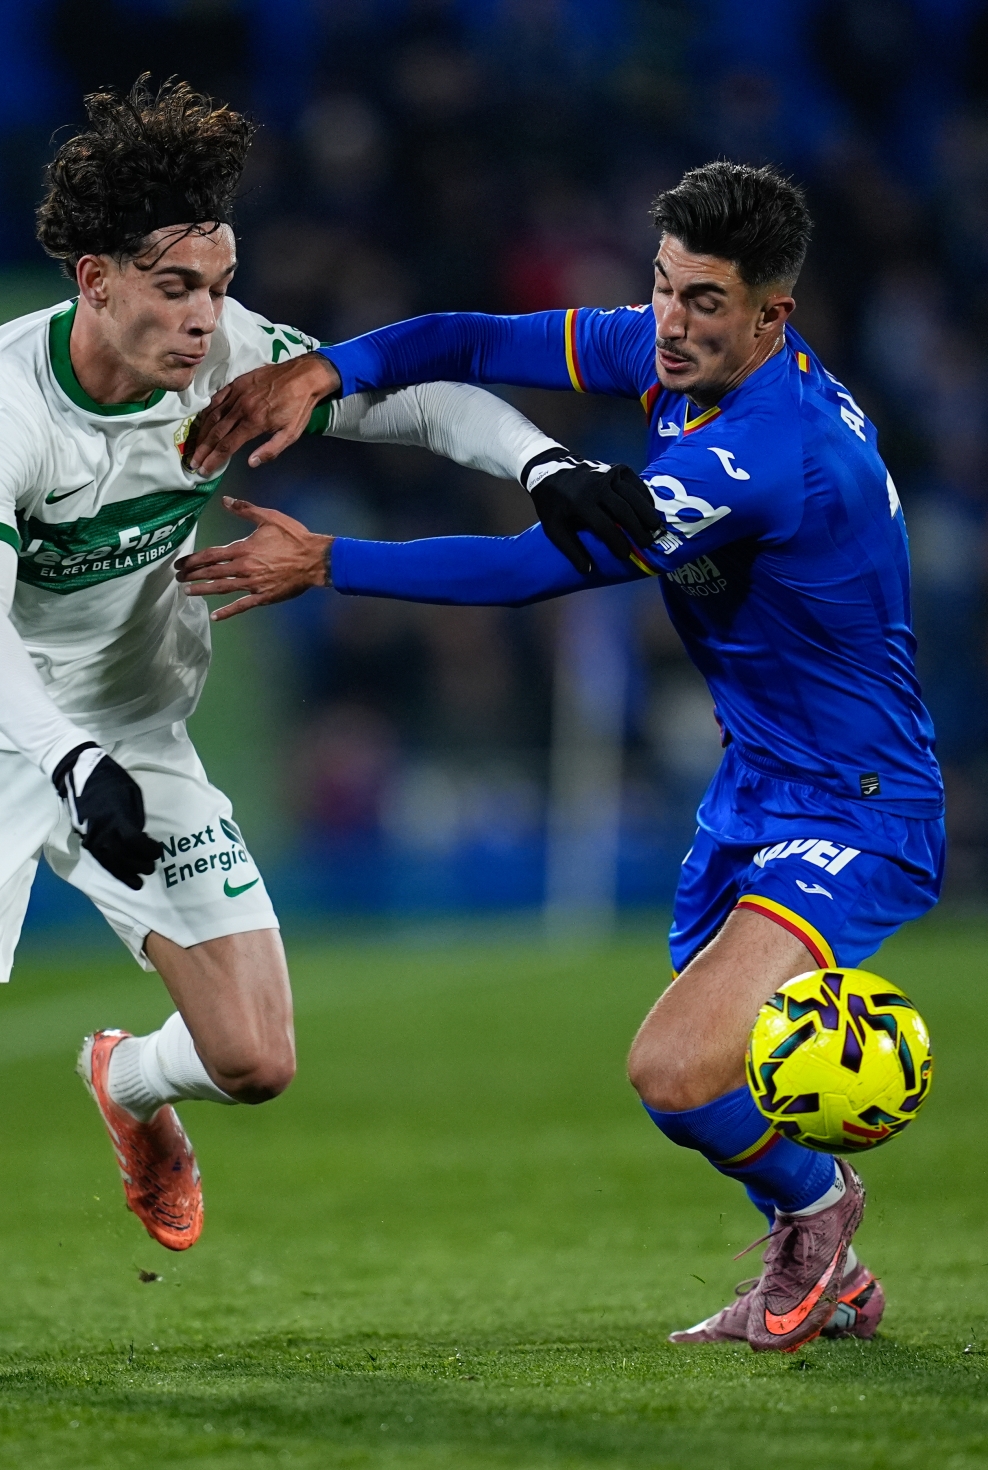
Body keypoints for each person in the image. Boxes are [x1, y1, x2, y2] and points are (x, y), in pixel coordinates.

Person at [0, 77, 658, 1369]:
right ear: (94, 279)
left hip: (129, 730)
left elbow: (422, 398)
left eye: (218, 286)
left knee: (256, 1059)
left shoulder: (232, 360)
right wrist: (64, 757)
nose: (204, 317)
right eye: (175, 288)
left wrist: (543, 464)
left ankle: (125, 1080)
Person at [177, 161, 945, 1352]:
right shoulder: (673, 353)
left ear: (773, 315)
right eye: (663, 287)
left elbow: (528, 572)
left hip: (856, 807)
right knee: (712, 1078)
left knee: (677, 1072)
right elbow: (476, 339)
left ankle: (819, 1207)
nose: (669, 322)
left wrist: (329, 561)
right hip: (756, 784)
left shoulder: (763, 455)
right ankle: (829, 1275)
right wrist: (329, 370)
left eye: (703, 302)